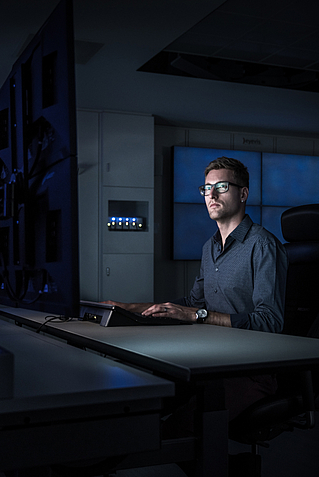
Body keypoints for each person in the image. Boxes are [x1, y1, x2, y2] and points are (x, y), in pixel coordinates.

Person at [104, 156, 288, 432]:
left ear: (243, 193)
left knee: (175, 431)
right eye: (206, 188)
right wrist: (128, 307)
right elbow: (192, 304)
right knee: (134, 403)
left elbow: (269, 322)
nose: (211, 195)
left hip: (247, 372)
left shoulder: (263, 246)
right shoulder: (209, 248)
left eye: (222, 187)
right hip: (209, 362)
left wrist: (198, 315)